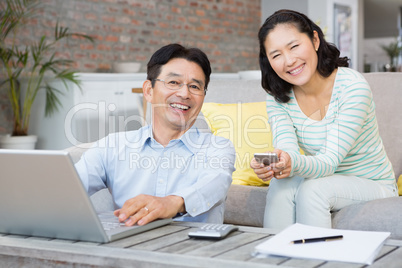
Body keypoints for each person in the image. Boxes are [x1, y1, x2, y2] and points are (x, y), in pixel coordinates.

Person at [251, 9, 398, 229]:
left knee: (314, 190)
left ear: (315, 39)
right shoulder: (277, 96)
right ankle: (276, 260)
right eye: (276, 55)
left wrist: (291, 163)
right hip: (322, 178)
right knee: (280, 186)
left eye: (294, 46)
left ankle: (317, 262)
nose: (289, 61)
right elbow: (288, 149)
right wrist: (276, 164)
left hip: (372, 184)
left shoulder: (352, 87)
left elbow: (328, 162)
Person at [75, 44, 235, 226]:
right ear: (148, 91)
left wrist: (172, 203)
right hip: (128, 247)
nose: (184, 93)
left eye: (194, 86)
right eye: (173, 82)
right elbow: (67, 187)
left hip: (194, 250)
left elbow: (216, 185)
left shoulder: (218, 148)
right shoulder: (113, 146)